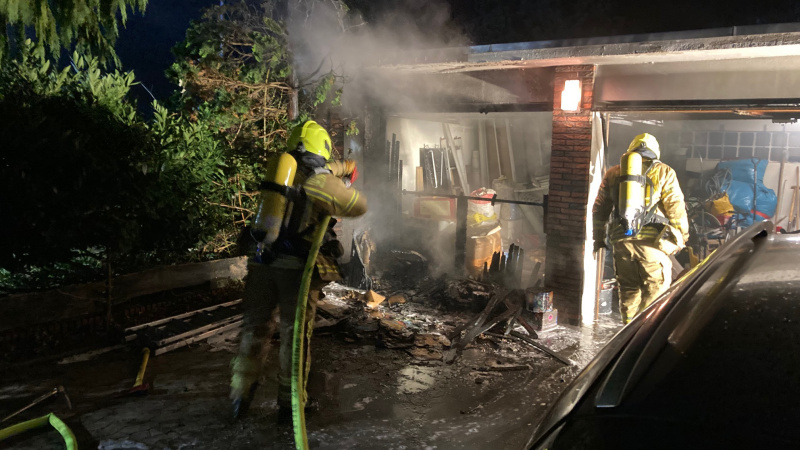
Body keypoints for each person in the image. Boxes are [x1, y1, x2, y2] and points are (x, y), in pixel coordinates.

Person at [230, 120, 366, 421]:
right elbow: (357, 207)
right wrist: (344, 186)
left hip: (261, 262)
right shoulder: (322, 181)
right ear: (323, 148)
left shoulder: (281, 171)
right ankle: (290, 403)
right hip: (296, 271)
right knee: (295, 338)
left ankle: (240, 395)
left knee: (254, 329)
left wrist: (342, 168)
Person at [592, 133, 689, 324]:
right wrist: (681, 238)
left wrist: (598, 237)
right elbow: (676, 209)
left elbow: (599, 210)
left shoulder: (614, 173)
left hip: (622, 243)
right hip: (652, 245)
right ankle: (644, 333)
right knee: (655, 295)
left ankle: (628, 329)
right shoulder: (664, 172)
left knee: (628, 292)